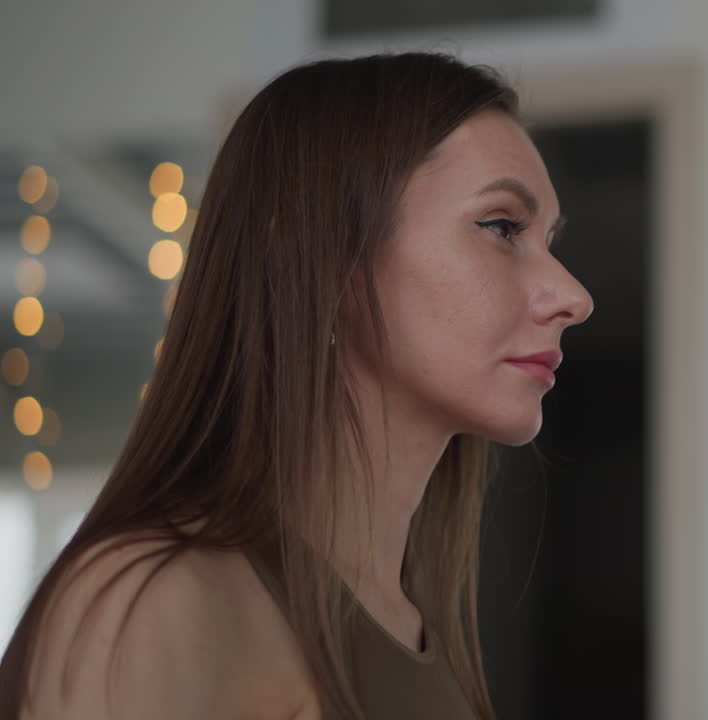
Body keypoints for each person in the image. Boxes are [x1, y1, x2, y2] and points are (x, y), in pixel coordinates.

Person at [0, 52, 593, 720]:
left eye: (547, 239)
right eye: (502, 227)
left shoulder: (417, 627)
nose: (574, 296)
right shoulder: (152, 601)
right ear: (319, 261)